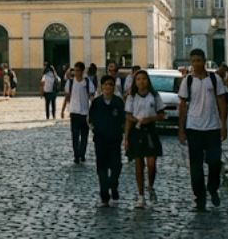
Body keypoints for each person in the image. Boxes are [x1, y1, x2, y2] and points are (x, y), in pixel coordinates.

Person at [178, 48, 228, 212]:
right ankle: (199, 198)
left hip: (212, 127)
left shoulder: (214, 79)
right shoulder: (187, 81)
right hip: (194, 127)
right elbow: (182, 106)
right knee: (196, 165)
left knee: (214, 161)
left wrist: (224, 124)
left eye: (198, 61)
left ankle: (213, 188)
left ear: (204, 61)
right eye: (193, 61)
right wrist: (181, 129)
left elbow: (221, 101)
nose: (196, 64)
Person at [125, 68, 166, 208]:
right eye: (138, 79)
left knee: (151, 163)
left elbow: (162, 113)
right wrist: (126, 138)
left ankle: (151, 186)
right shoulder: (131, 97)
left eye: (143, 79)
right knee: (138, 163)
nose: (141, 82)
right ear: (135, 82)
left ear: (147, 81)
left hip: (150, 130)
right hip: (136, 131)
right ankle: (141, 195)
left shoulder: (154, 95)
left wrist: (151, 118)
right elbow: (128, 117)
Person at [89, 75, 126, 208]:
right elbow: (91, 119)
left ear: (114, 86)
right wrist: (96, 131)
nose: (108, 87)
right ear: (102, 86)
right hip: (100, 140)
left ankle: (114, 188)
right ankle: (104, 195)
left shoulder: (118, 103)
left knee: (116, 167)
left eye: (110, 84)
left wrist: (121, 132)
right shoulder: (97, 103)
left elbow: (123, 120)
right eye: (106, 85)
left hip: (115, 140)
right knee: (102, 168)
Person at [64, 61, 96, 163]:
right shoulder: (71, 82)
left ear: (82, 71)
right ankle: (76, 154)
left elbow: (91, 95)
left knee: (84, 135)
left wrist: (94, 106)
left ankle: (82, 153)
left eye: (78, 70)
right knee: (75, 135)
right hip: (74, 111)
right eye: (75, 70)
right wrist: (63, 109)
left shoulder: (87, 82)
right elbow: (67, 96)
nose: (76, 72)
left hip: (84, 112)